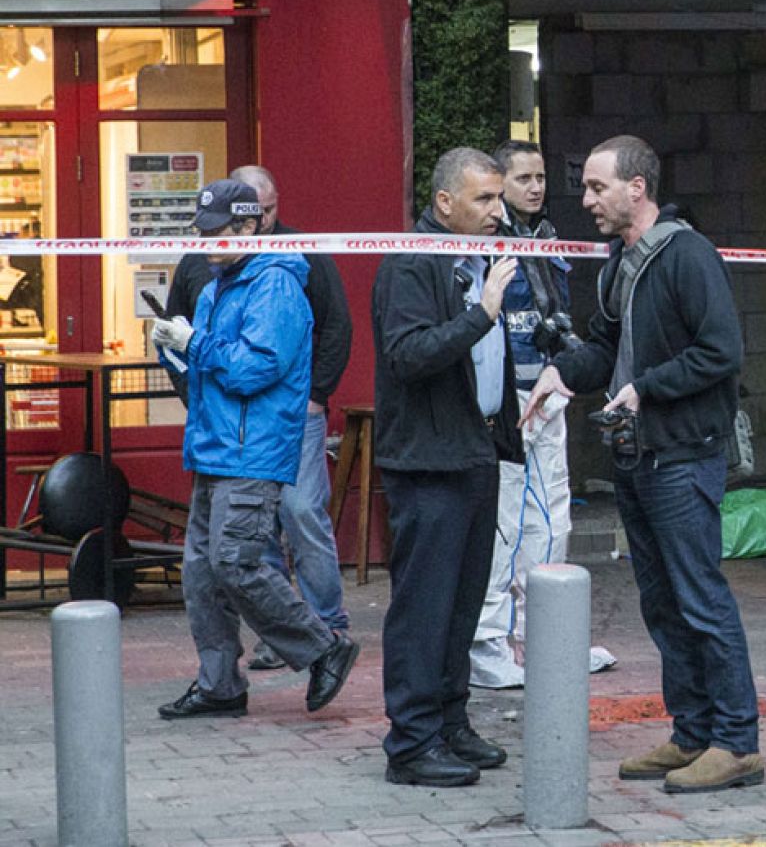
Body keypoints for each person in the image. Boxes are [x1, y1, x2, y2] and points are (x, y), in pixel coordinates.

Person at [526, 135, 761, 794]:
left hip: (682, 456)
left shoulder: (688, 255)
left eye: (597, 187)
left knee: (700, 600)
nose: (586, 200)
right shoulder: (619, 262)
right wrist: (561, 373)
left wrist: (646, 388)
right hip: (637, 457)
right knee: (662, 604)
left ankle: (737, 743)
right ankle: (692, 734)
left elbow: (721, 352)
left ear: (637, 188)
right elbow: (606, 348)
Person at [150, 179, 359, 720]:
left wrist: (192, 342)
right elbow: (211, 367)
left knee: (235, 564)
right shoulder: (219, 284)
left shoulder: (275, 284)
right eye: (202, 232)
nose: (206, 243)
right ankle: (219, 685)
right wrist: (173, 348)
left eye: (216, 232)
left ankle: (324, 646)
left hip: (252, 448)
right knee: (203, 574)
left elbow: (253, 369)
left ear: (249, 225)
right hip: (216, 446)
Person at [372, 147, 523, 788]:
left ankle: (449, 722)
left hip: (475, 449)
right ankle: (411, 742)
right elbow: (407, 354)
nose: (497, 211)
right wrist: (479, 314)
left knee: (463, 605)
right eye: (484, 198)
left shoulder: (480, 258)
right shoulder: (411, 262)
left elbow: (490, 361)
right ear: (444, 202)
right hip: (427, 461)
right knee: (425, 607)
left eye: (499, 197)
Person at [469, 141, 614, 688]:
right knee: (504, 526)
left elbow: (554, 313)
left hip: (548, 393)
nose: (535, 187)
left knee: (552, 521)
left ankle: (549, 638)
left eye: (541, 177)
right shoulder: (487, 242)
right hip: (507, 401)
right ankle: (487, 644)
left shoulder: (544, 235)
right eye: (523, 178)